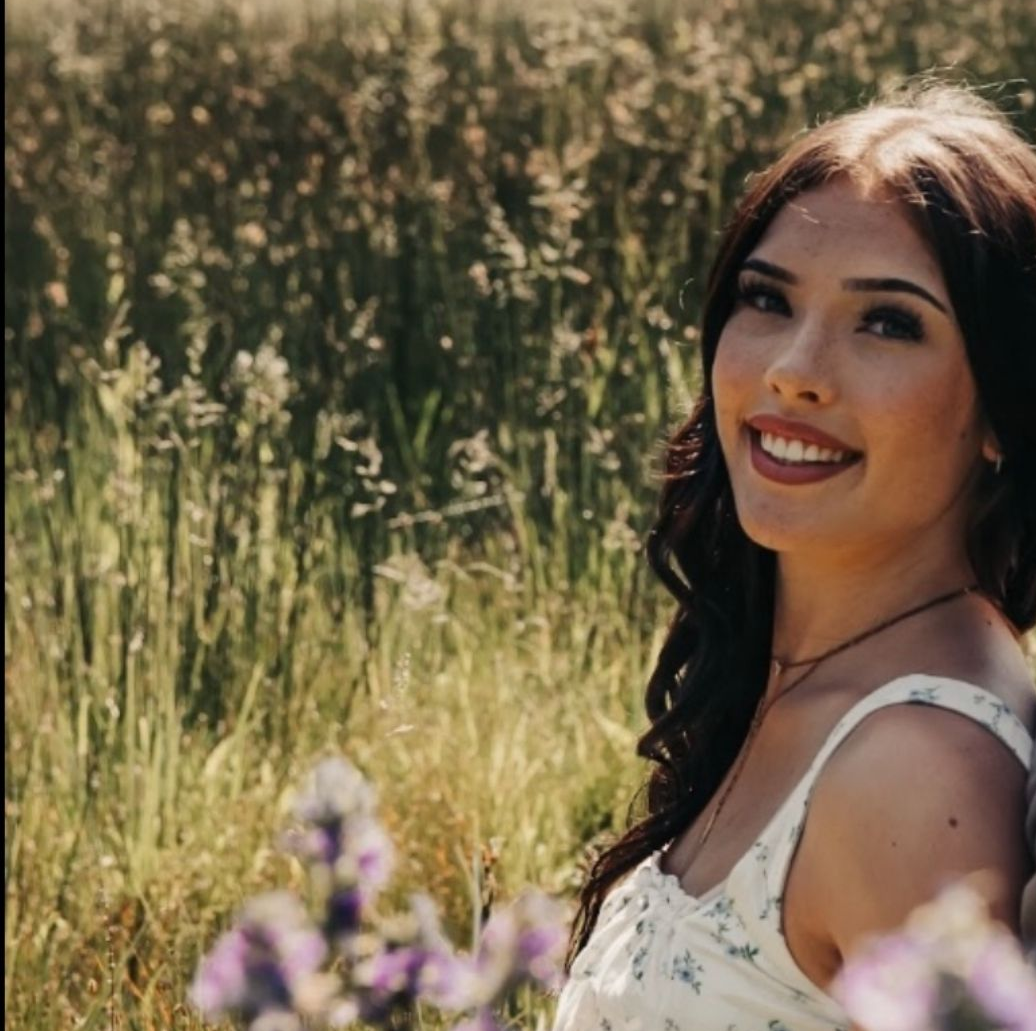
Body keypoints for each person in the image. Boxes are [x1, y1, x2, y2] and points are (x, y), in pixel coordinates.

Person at [553, 81, 1036, 1031]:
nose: (794, 369)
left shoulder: (915, 770)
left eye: (888, 321)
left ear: (1003, 411)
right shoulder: (821, 675)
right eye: (767, 299)